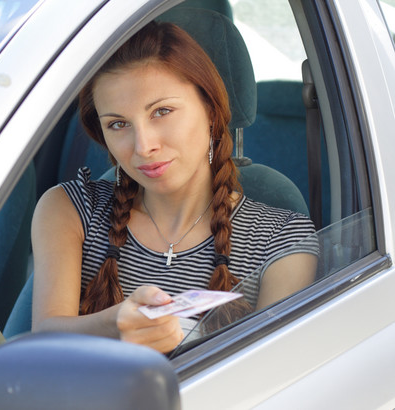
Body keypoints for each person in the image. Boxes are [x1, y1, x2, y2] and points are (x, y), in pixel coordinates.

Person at [31, 21, 317, 353]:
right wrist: (113, 324)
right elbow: (42, 347)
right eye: (118, 124)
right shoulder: (70, 209)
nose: (143, 146)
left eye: (162, 111)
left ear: (210, 111)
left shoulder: (281, 239)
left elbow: (271, 379)